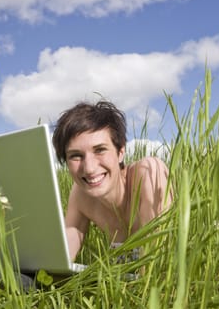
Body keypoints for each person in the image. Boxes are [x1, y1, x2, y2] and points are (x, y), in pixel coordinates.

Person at [52, 101, 173, 261]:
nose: (89, 168)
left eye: (100, 150)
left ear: (120, 152)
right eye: (76, 155)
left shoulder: (150, 172)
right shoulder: (81, 194)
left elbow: (157, 266)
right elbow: (62, 260)